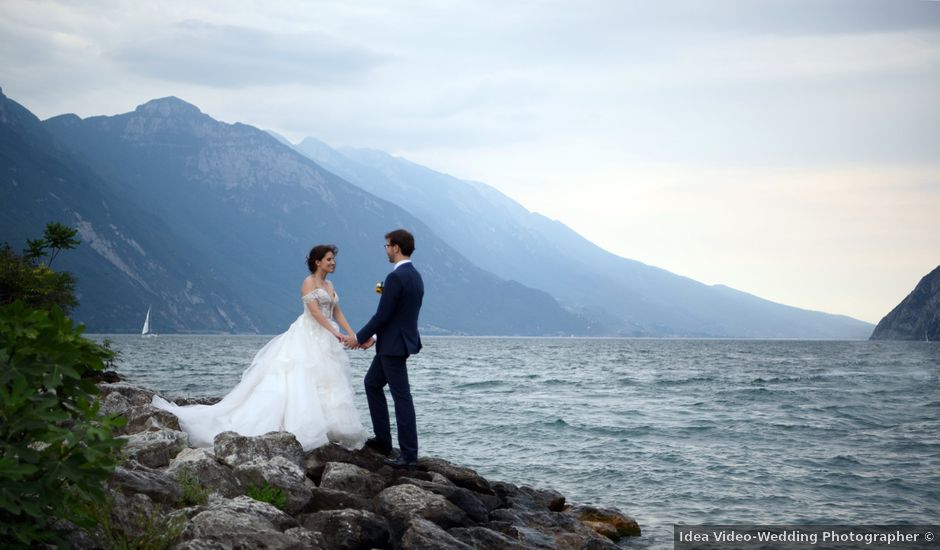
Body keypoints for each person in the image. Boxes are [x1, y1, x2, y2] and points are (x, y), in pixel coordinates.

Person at [152, 245, 367, 452]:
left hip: (326, 336)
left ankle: (330, 427)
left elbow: (336, 312)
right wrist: (335, 332)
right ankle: (300, 426)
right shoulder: (308, 283)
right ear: (317, 262)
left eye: (333, 259)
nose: (333, 262)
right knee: (301, 378)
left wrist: (351, 334)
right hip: (309, 334)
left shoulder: (330, 286)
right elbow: (315, 312)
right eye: (328, 259)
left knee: (327, 380)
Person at [345, 229, 424, 469]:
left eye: (387, 246)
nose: (386, 250)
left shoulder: (396, 278)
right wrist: (377, 337)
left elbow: (382, 315)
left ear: (396, 247)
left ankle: (409, 454)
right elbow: (398, 315)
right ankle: (382, 441)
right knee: (372, 383)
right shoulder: (416, 276)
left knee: (402, 397)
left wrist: (359, 337)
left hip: (393, 346)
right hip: (393, 341)